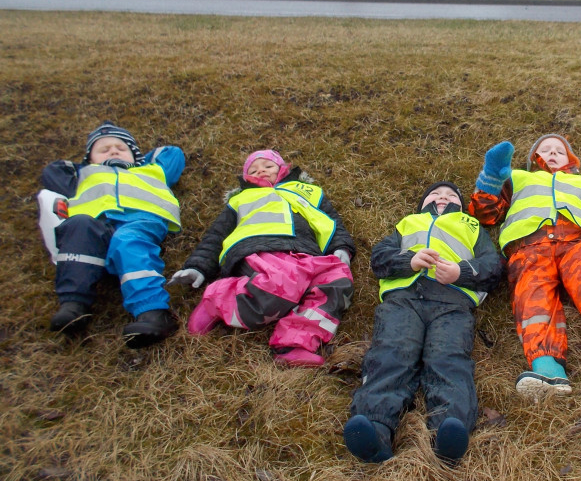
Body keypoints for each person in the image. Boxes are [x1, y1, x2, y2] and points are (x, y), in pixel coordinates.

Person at [468, 134, 581, 397]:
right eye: (545, 149)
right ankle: (548, 369)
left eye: (560, 150)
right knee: (533, 300)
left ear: (572, 160)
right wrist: (491, 176)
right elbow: (486, 214)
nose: (553, 152)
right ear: (534, 158)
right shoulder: (519, 178)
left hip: (578, 245)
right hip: (528, 247)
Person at [344, 182, 502, 464]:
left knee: (448, 358)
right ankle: (375, 426)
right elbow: (379, 257)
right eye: (435, 194)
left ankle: (449, 428)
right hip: (403, 300)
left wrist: (460, 272)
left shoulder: (471, 226)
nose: (443, 197)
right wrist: (410, 260)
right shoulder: (407, 224)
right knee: (390, 352)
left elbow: (493, 266)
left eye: (451, 195)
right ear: (423, 202)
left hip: (452, 303)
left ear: (461, 205)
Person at [169, 150, 355, 367]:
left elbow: (332, 220)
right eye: (254, 169)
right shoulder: (240, 199)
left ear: (283, 168)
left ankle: (295, 343)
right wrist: (198, 267)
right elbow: (215, 236)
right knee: (280, 285)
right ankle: (218, 300)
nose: (261, 171)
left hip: (309, 253)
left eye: (267, 165)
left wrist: (341, 247)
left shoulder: (309, 192)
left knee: (338, 283)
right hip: (261, 248)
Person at [40, 122, 185, 348]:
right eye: (104, 149)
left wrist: (138, 161)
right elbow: (53, 171)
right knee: (78, 227)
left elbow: (173, 153)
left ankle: (153, 312)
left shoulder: (152, 169)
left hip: (140, 221)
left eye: (121, 147)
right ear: (89, 158)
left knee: (127, 243)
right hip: (96, 224)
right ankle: (74, 305)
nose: (113, 151)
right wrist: (86, 166)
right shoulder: (84, 175)